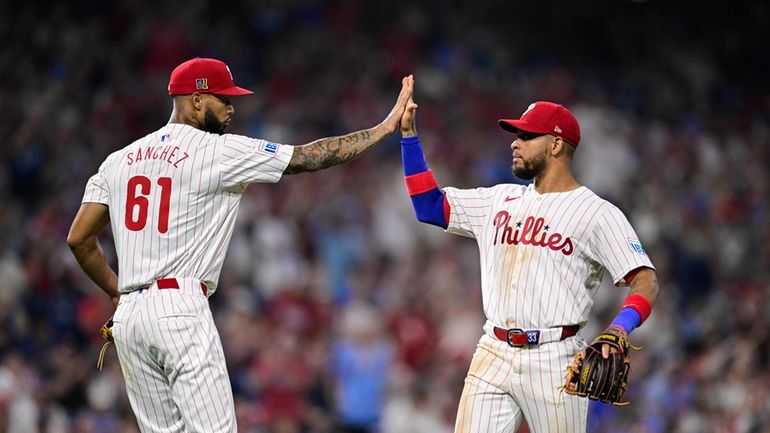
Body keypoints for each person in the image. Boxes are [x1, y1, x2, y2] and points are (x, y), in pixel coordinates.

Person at [66, 57, 414, 433]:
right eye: (223, 99)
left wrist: (117, 292)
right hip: (179, 307)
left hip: (131, 319)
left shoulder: (118, 161)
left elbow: (79, 238)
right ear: (196, 100)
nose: (231, 108)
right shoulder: (217, 151)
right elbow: (310, 157)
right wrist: (382, 128)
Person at [398, 93, 659, 433]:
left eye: (526, 136)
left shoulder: (597, 213)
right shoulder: (499, 199)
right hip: (493, 350)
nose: (515, 144)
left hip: (556, 358)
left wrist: (619, 327)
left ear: (555, 145)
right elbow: (428, 206)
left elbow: (645, 280)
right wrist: (408, 136)